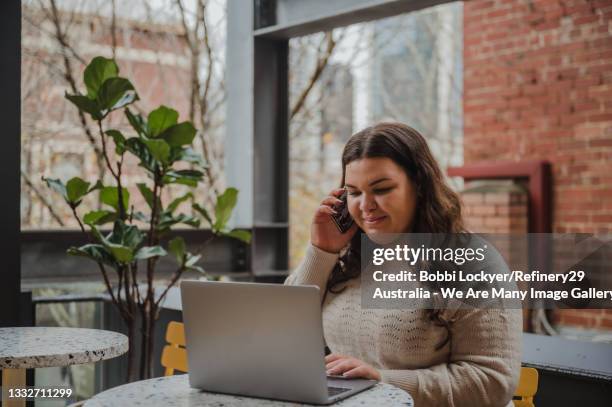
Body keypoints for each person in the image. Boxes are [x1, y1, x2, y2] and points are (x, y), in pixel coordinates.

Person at [285, 122, 522, 406]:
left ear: (419, 186)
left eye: (381, 189)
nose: (365, 206)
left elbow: (492, 383)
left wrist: (383, 382)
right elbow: (286, 332)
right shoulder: (348, 256)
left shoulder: (472, 262)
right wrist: (321, 251)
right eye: (354, 192)